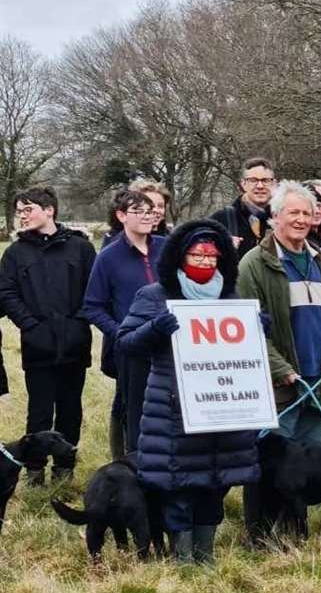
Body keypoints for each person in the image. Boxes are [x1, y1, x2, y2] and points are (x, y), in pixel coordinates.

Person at [116, 223, 259, 564]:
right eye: (197, 255)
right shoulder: (154, 295)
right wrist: (154, 329)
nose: (205, 262)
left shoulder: (230, 295)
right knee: (179, 485)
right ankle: (183, 560)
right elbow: (125, 342)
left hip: (222, 407)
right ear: (180, 257)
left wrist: (257, 328)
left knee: (215, 483)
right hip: (173, 408)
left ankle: (205, 556)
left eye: (212, 256)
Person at [234, 182, 321, 444]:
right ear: (276, 216)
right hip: (279, 390)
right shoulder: (253, 264)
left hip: (319, 385)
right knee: (271, 474)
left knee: (310, 472)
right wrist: (281, 370)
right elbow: (247, 330)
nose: (301, 220)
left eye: (306, 213)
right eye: (294, 213)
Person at [0, 186, 95, 482]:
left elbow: (94, 288)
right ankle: (35, 468)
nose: (22, 216)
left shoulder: (80, 248)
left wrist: (80, 323)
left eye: (28, 209)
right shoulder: (16, 253)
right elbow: (6, 291)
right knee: (39, 409)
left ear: (49, 210)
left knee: (70, 407)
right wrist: (29, 325)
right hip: (37, 343)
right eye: (19, 212)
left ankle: (64, 467)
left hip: (74, 342)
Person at [82, 189, 166, 459]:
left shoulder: (166, 248)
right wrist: (122, 333)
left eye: (149, 211)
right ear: (121, 216)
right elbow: (92, 306)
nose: (146, 216)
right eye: (138, 211)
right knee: (134, 414)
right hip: (132, 352)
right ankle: (130, 467)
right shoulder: (108, 257)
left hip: (169, 345)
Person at [211, 157, 276, 256]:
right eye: (253, 180)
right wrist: (221, 247)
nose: (260, 186)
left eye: (265, 180)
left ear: (274, 183)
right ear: (243, 184)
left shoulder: (282, 220)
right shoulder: (222, 219)